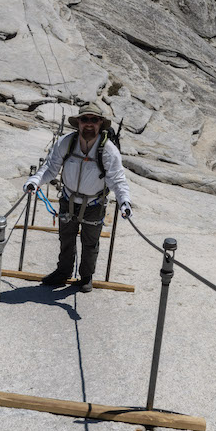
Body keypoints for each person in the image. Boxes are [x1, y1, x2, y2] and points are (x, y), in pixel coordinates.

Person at [24, 102, 132, 292]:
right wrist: (35, 181)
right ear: (78, 123)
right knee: (66, 237)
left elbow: (117, 180)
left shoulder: (107, 150)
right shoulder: (66, 143)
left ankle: (85, 277)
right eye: (85, 119)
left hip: (94, 203)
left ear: (100, 123)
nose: (89, 124)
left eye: (94, 120)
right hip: (68, 199)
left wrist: (125, 202)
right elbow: (50, 168)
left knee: (90, 242)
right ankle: (63, 272)